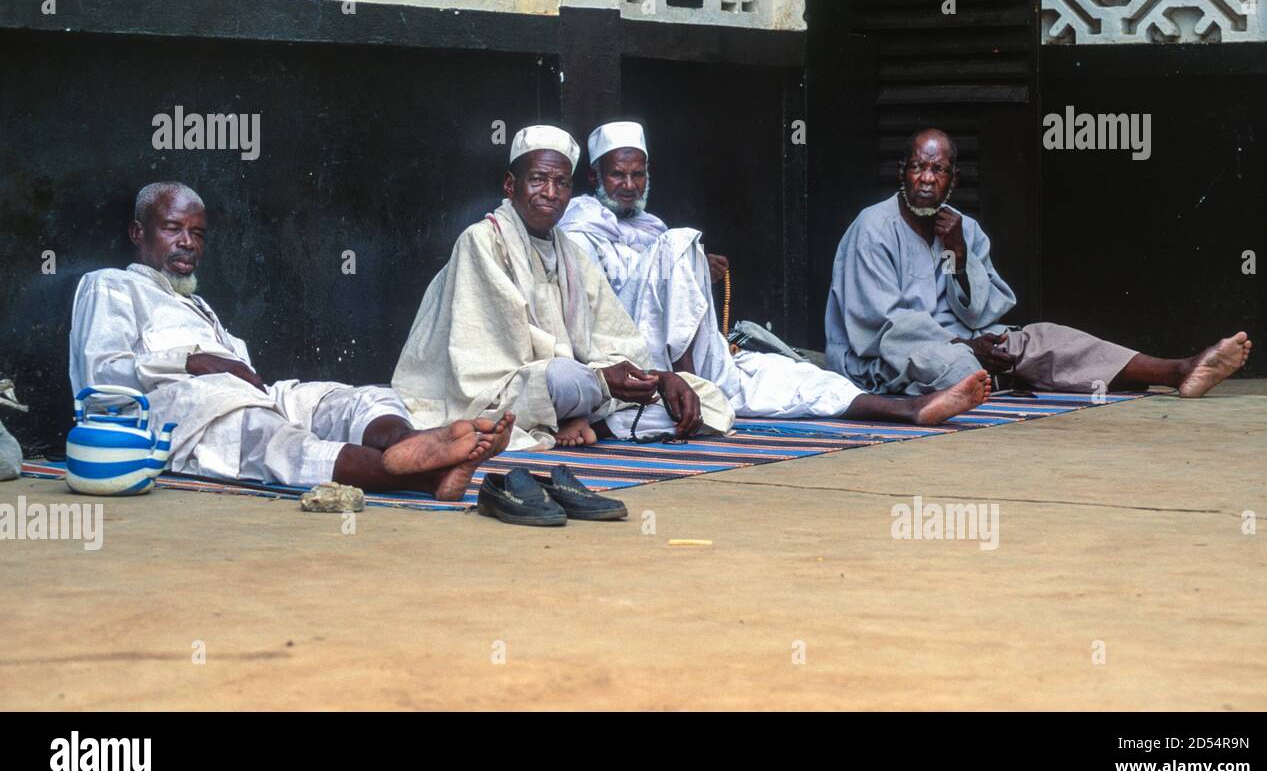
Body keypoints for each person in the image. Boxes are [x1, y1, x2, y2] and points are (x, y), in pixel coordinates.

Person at [69, 182, 511, 501]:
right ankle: (420, 476)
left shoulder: (197, 304)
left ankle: (411, 442)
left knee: (351, 399)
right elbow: (100, 376)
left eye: (198, 233)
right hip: (183, 412)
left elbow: (239, 374)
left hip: (249, 395)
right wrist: (193, 362)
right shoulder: (108, 285)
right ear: (137, 233)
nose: (187, 243)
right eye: (172, 228)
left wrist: (222, 366)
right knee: (280, 442)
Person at [557, 121, 989, 425]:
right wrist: (679, 262)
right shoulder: (579, 231)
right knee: (682, 242)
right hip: (641, 362)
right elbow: (604, 308)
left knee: (799, 376)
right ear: (596, 176)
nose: (629, 185)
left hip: (704, 356)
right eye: (618, 175)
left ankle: (911, 410)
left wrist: (689, 270)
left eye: (638, 174)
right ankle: (693, 383)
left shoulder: (650, 227)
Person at [825, 128, 1252, 397]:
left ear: (953, 180)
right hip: (890, 357)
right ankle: (1010, 373)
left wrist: (958, 255)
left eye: (937, 170)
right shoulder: (873, 227)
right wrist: (964, 346)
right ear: (902, 172)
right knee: (953, 364)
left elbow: (980, 312)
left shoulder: (963, 229)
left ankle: (1179, 370)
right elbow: (884, 327)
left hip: (966, 343)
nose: (925, 179)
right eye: (917, 167)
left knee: (1046, 338)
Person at [392, 125, 734, 449]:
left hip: (582, 390)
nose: (551, 193)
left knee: (700, 396)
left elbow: (614, 337)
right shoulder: (481, 241)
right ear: (510, 185)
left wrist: (656, 378)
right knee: (564, 378)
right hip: (499, 391)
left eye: (561, 183)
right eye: (538, 180)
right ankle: (574, 419)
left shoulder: (569, 251)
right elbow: (494, 361)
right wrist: (600, 379)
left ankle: (591, 425)